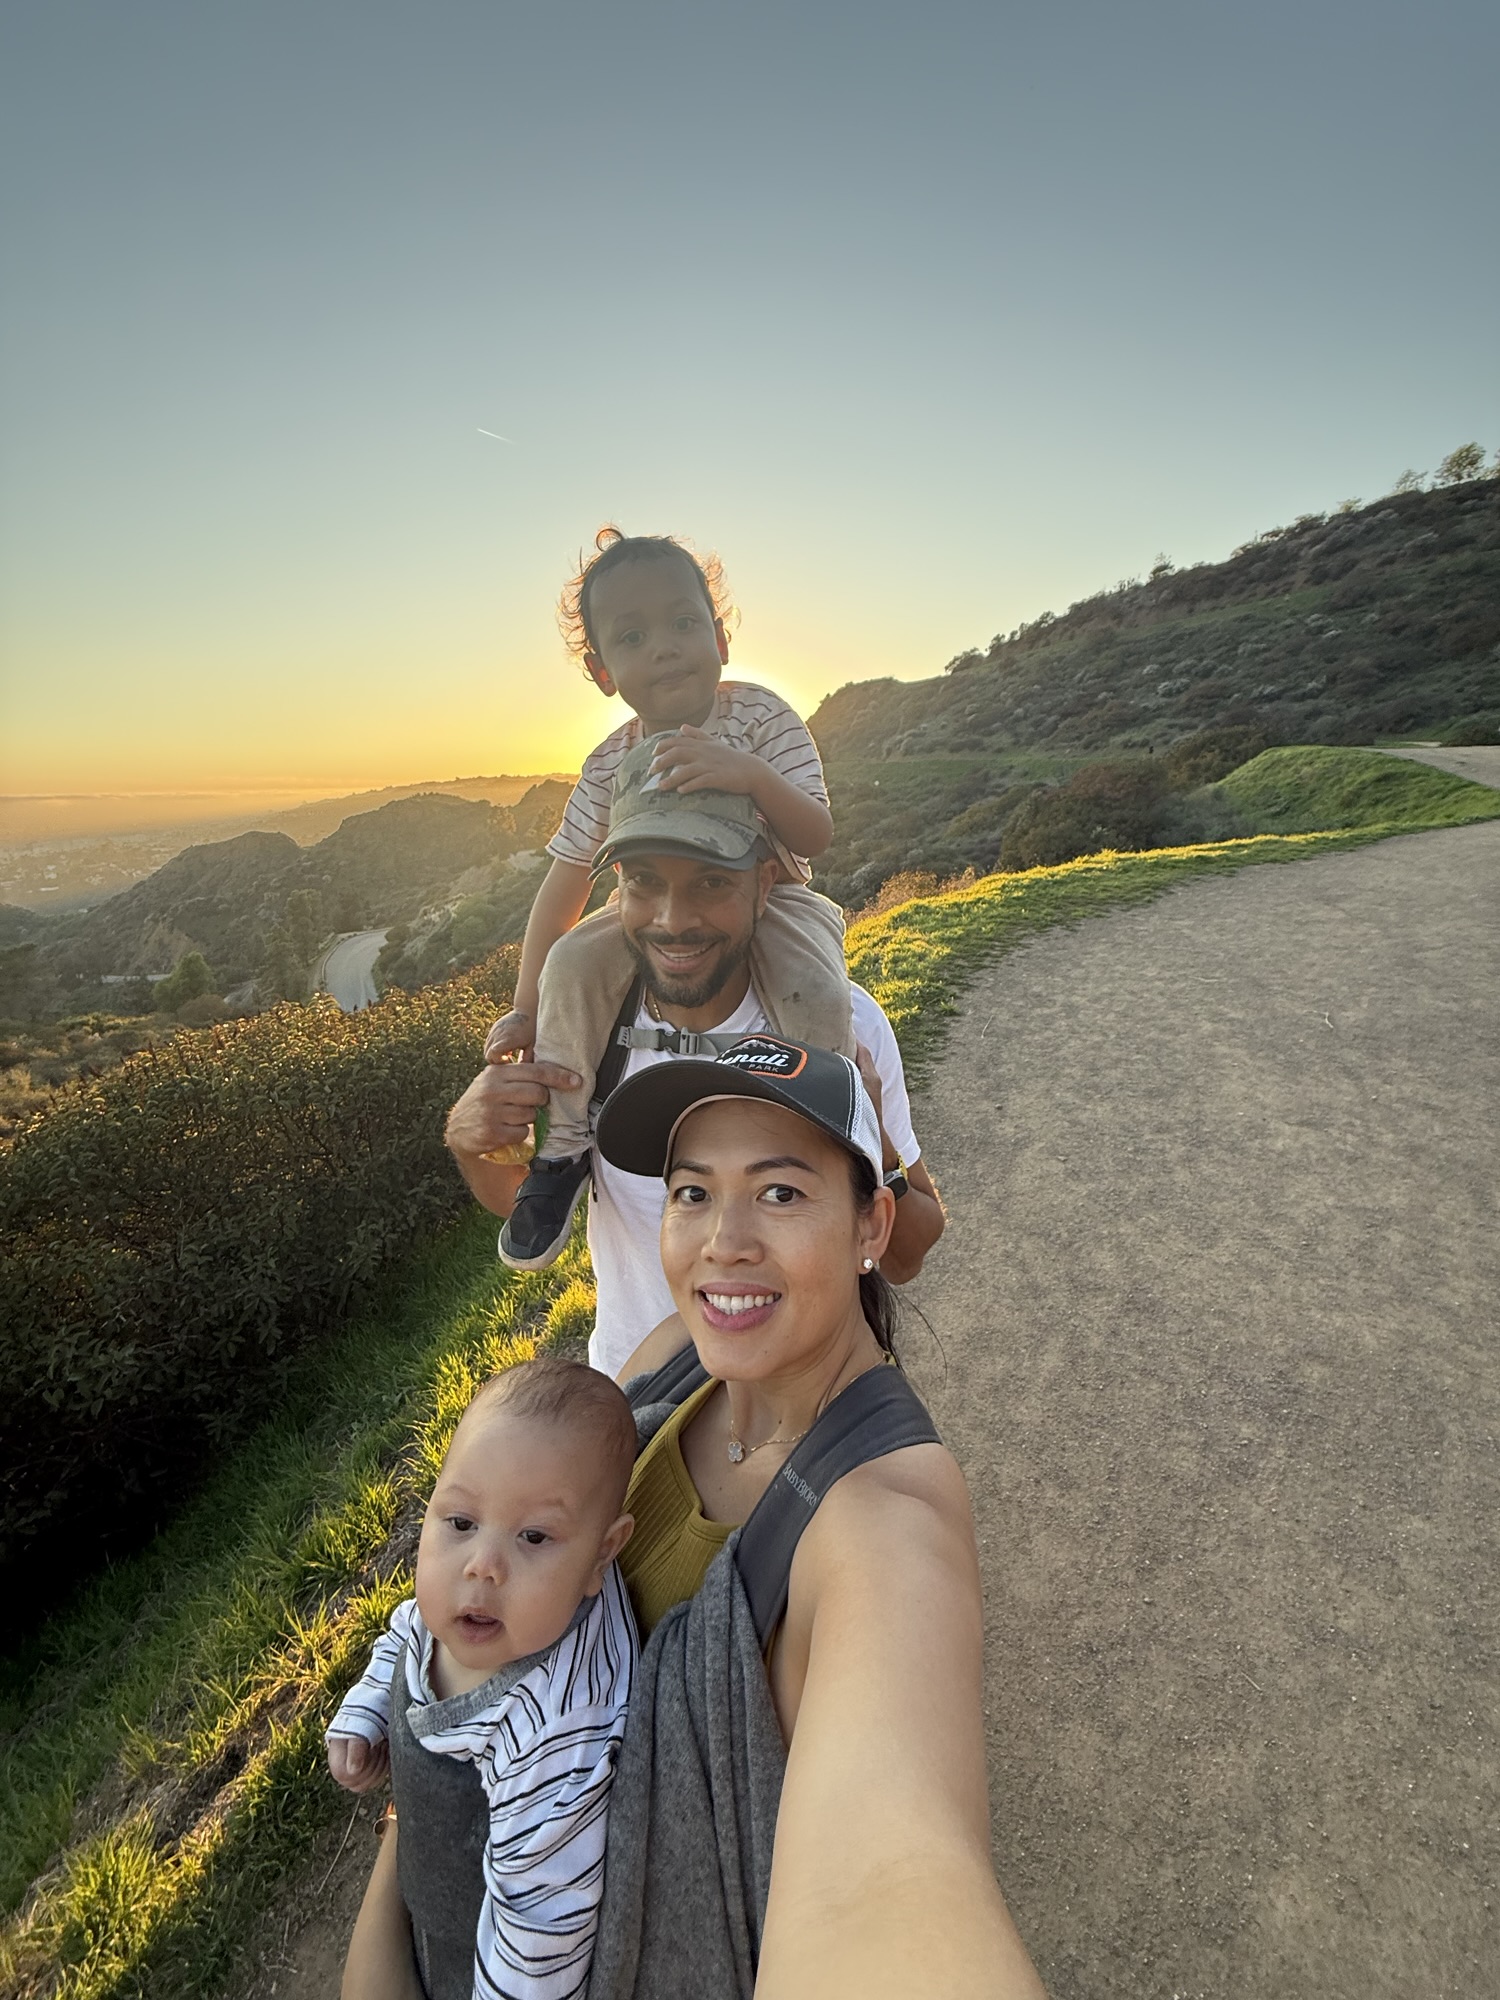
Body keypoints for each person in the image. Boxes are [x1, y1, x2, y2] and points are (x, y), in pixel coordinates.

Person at [353, 1041, 1046, 1999]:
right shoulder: (668, 1363)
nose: (724, 1240)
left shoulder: (881, 1526)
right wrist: (425, 1803)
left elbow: (888, 1887)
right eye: (691, 1192)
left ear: (870, 1225)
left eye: (781, 1193)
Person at [444, 785, 946, 1378]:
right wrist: (469, 1142)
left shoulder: (844, 1027)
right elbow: (519, 1203)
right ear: (617, 891)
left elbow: (907, 1254)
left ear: (763, 885)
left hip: (804, 1399)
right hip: (638, 1393)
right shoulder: (589, 1029)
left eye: (711, 881)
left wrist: (873, 1133)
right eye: (645, 882)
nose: (673, 921)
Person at [485, 526, 853, 1273]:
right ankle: (559, 1158)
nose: (666, 646)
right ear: (601, 669)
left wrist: (747, 774)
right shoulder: (608, 762)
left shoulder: (763, 718)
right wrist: (526, 1006)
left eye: (685, 622)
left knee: (816, 985)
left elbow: (815, 834)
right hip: (648, 909)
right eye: (634, 634)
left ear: (719, 634)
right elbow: (565, 880)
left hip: (770, 896)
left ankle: (832, 1142)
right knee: (572, 962)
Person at [329, 1358, 638, 2000]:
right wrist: (366, 1712)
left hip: (474, 1958)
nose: (483, 1566)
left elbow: (540, 1932)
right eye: (461, 1523)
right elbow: (407, 1633)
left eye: (533, 1536)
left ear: (601, 1555)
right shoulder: (474, 1610)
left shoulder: (554, 1723)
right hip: (424, 1895)